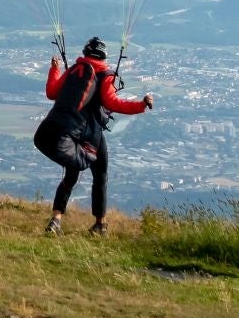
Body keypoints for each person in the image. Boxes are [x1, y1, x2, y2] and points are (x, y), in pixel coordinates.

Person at [33, 35, 152, 236]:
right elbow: (112, 102)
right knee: (100, 174)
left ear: (86, 52)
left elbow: (52, 92)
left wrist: (54, 69)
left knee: (71, 175)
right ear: (104, 56)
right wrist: (140, 105)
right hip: (91, 134)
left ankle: (56, 219)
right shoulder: (105, 75)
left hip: (70, 131)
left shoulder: (75, 70)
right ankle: (100, 224)